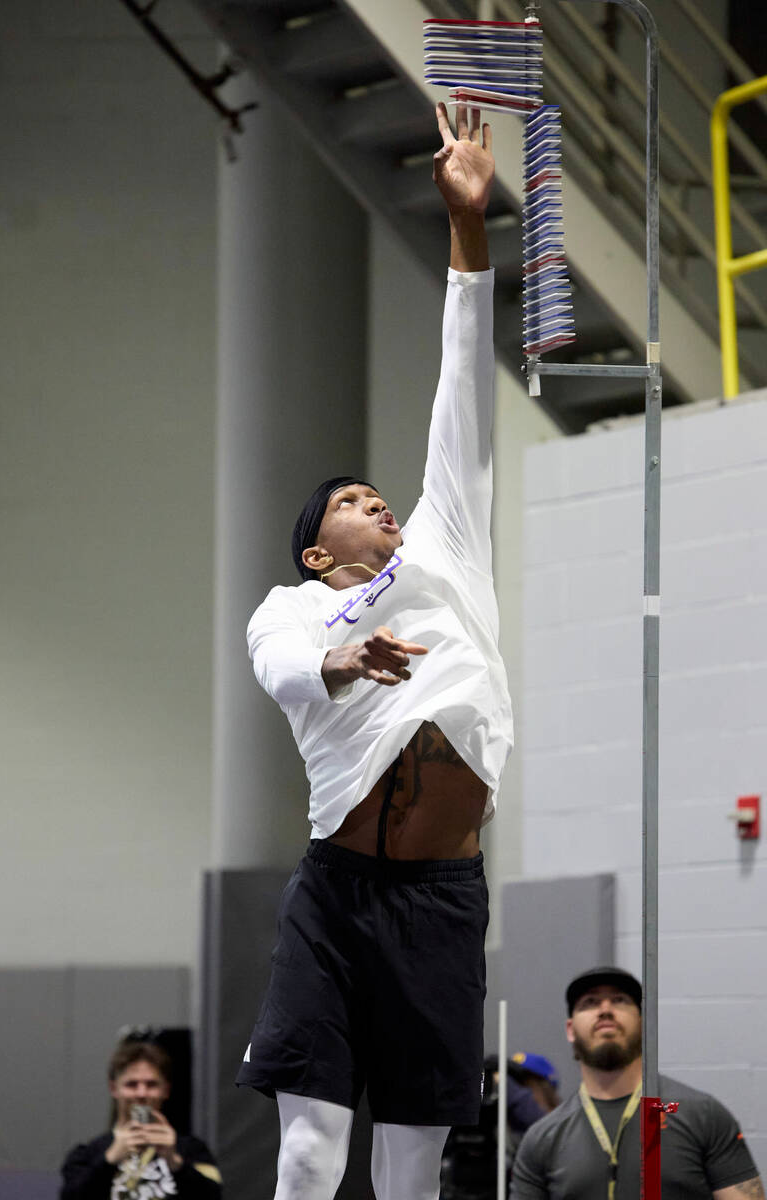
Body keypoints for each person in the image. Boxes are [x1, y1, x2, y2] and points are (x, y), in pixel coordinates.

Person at [236, 102, 513, 1200]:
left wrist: (468, 228)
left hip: (442, 901)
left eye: (379, 492)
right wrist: (345, 663)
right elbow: (278, 670)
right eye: (353, 501)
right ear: (316, 551)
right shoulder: (288, 611)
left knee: (408, 1161)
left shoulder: (446, 539)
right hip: (336, 893)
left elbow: (460, 388)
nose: (378, 501)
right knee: (309, 1149)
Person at [510, 966, 765, 1200]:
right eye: (590, 1002)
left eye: (620, 1000)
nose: (605, 1009)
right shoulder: (542, 1138)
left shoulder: (701, 1114)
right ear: (570, 1029)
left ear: (643, 1023)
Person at [60, 1040, 222, 1199]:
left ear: (165, 1090)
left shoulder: (192, 1150)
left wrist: (174, 1161)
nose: (141, 1093)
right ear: (114, 1088)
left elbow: (214, 1196)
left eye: (151, 1084)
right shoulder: (88, 1154)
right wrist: (109, 1160)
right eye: (131, 1084)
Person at [441, 1052, 560, 1199]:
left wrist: (508, 1088)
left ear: (546, 1088)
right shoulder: (497, 1119)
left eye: (521, 1084)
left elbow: (543, 1129)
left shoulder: (559, 1127)